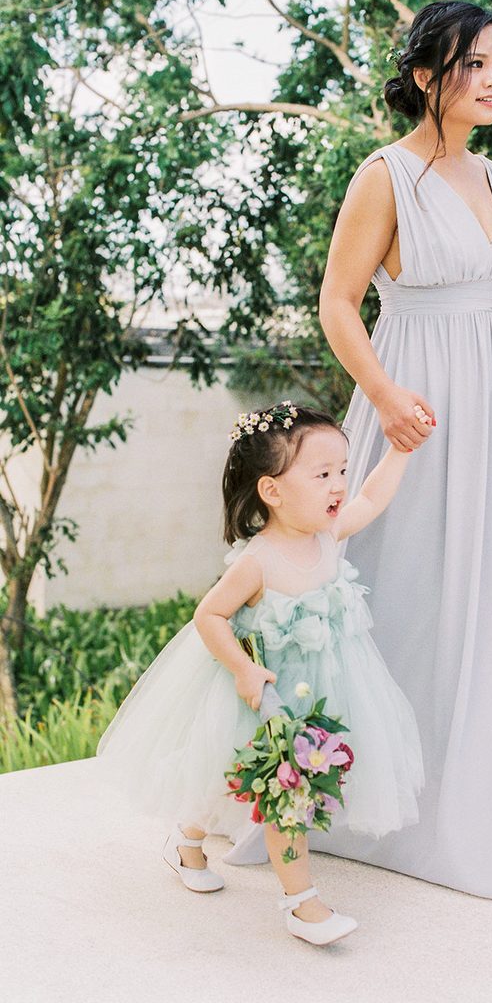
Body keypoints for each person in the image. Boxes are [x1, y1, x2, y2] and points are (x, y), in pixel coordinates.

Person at [313, 0, 492, 905]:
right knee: (390, 585)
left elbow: (486, 299)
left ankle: (471, 806)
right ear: (426, 75)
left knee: (490, 595)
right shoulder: (382, 176)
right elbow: (336, 300)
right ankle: (342, 797)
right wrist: (384, 398)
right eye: (473, 63)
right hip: (409, 398)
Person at [97, 402, 430, 944]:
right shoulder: (260, 559)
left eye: (340, 471)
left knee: (231, 779)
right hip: (263, 695)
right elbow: (209, 616)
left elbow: (371, 497)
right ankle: (301, 903)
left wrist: (400, 450)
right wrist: (245, 672)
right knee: (282, 793)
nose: (338, 486)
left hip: (324, 691)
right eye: (322, 475)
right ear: (272, 491)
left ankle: (187, 838)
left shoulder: (328, 533)